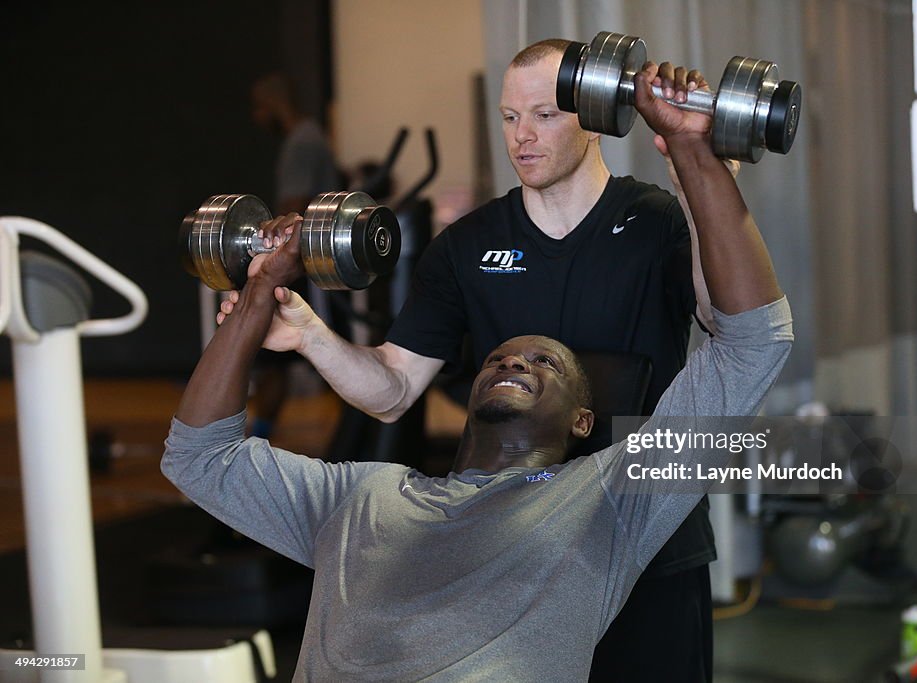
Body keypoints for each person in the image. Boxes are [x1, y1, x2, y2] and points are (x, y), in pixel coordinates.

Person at [171, 57, 793, 680]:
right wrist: (307, 334)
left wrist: (697, 173)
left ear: (596, 117)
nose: (522, 134)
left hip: (634, 522)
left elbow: (732, 329)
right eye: (510, 117)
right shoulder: (465, 247)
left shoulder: (659, 219)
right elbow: (391, 392)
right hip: (495, 526)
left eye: (545, 115)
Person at [248, 72, 340, 439]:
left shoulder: (300, 143)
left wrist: (268, 259)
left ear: (273, 104)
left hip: (302, 264)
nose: (256, 117)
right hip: (318, 261)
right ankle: (260, 434)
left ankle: (256, 439)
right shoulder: (312, 136)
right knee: (279, 361)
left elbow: (290, 212)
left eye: (258, 107)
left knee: (271, 357)